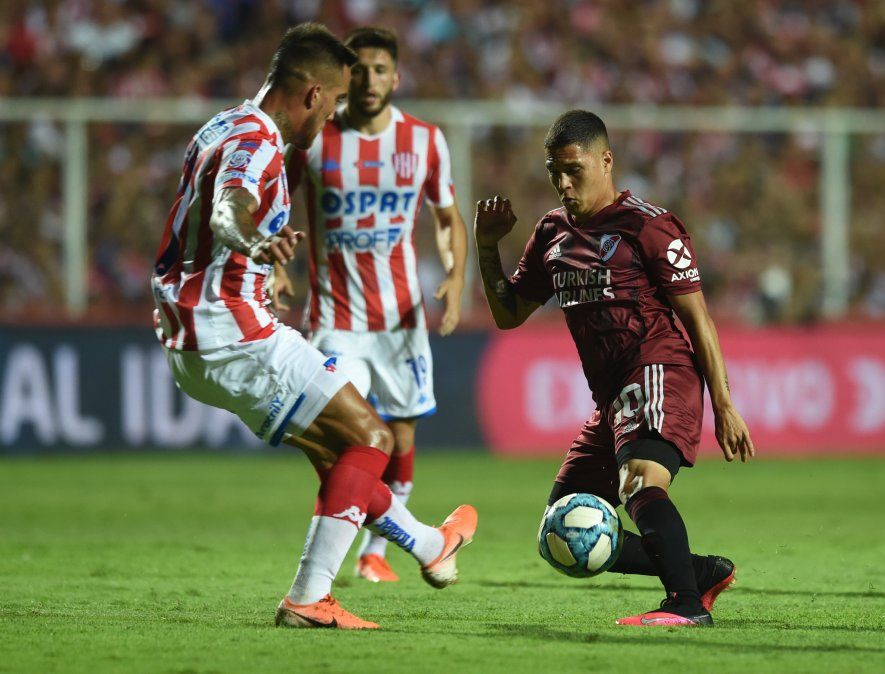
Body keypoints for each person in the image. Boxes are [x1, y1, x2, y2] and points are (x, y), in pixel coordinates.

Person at [150, 23, 476, 631]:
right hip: (232, 330)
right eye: (330, 105)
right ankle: (307, 597)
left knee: (339, 450)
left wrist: (256, 243)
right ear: (310, 94)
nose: (330, 121)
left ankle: (431, 546)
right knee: (373, 438)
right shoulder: (261, 144)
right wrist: (256, 236)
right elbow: (230, 208)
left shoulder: (223, 123)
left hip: (194, 338)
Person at [473, 110, 754, 627]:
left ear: (606, 161)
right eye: (554, 172)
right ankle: (700, 574)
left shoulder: (647, 225)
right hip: (612, 400)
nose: (563, 184)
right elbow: (509, 313)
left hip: (658, 372)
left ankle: (687, 606)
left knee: (640, 482)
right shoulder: (552, 232)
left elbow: (699, 319)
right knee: (559, 530)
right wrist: (487, 247)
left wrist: (725, 405)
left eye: (574, 170)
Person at [282, 26, 468, 583]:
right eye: (358, 69)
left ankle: (376, 554)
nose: (368, 79)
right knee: (345, 440)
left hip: (400, 319)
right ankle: (408, 542)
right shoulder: (314, 138)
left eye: (379, 69)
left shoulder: (425, 141)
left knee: (403, 436)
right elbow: (275, 206)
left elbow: (446, 218)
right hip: (334, 322)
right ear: (345, 75)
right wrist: (270, 267)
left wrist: (457, 276)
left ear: (396, 77)